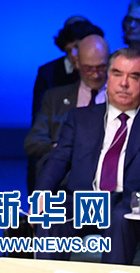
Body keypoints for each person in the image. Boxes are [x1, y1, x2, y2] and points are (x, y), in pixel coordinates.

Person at [35, 47, 140, 264]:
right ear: (108, 78)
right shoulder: (81, 118)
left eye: (134, 77)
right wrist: (42, 193)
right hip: (82, 200)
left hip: (127, 203)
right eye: (117, 74)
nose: (124, 83)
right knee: (51, 216)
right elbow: (58, 160)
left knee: (121, 218)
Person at [25, 34, 108, 181]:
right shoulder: (55, 98)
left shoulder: (123, 98)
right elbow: (33, 142)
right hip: (63, 182)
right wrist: (62, 149)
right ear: (77, 63)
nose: (96, 75)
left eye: (101, 68)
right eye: (89, 69)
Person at [32, 17, 104, 120]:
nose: (74, 55)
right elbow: (39, 120)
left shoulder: (112, 68)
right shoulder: (48, 73)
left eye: (77, 47)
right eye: (69, 50)